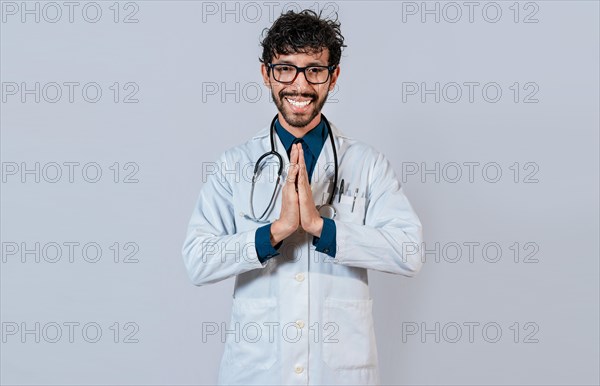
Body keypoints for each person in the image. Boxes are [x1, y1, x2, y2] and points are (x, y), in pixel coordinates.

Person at [182, 9, 423, 385]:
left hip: (338, 372)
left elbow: (410, 252)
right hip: (257, 371)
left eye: (314, 69)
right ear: (266, 74)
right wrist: (273, 233)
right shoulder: (234, 164)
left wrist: (320, 228)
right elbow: (197, 261)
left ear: (333, 76)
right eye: (285, 68)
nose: (299, 84)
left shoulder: (367, 163)